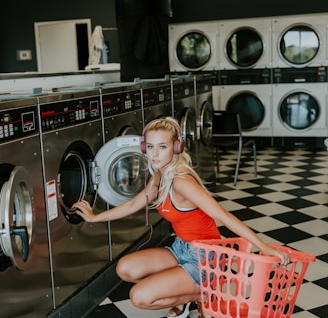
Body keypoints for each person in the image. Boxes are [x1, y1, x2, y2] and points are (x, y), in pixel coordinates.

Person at [72, 117, 290, 318]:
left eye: (162, 147)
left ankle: (202, 295)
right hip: (181, 248)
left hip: (206, 258)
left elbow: (223, 216)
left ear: (176, 148)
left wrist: (265, 247)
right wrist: (94, 217)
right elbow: (134, 203)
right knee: (125, 268)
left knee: (138, 297)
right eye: (150, 147)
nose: (154, 154)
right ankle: (187, 293)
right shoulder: (160, 174)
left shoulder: (182, 182)